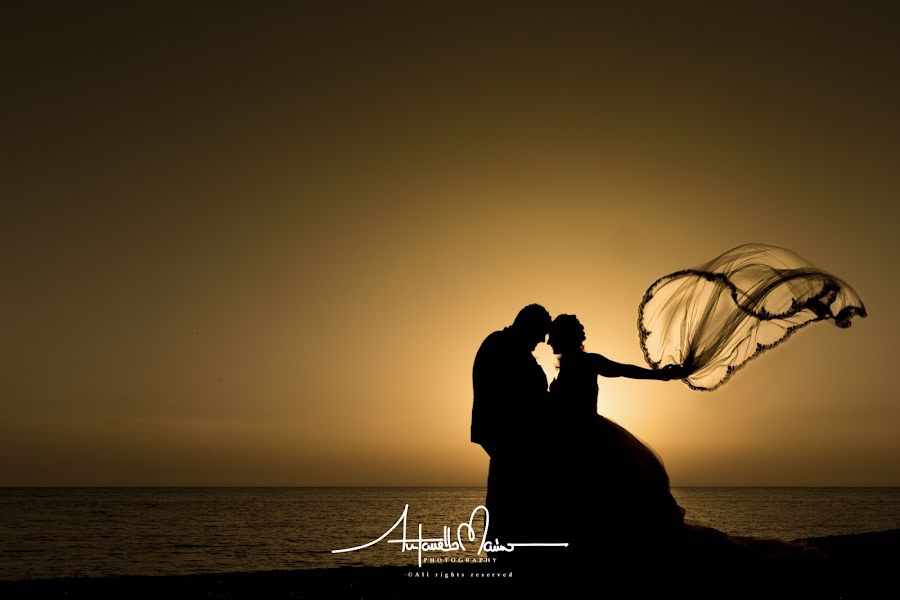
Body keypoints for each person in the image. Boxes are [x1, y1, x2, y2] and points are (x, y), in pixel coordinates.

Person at [546, 314, 687, 561]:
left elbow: (622, 370)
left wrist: (660, 375)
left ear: (565, 338)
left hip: (588, 438)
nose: (548, 342)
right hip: (569, 438)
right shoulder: (568, 365)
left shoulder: (588, 361)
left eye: (553, 336)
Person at [471, 304, 552, 546]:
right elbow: (510, 394)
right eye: (539, 336)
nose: (540, 342)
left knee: (510, 497)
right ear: (528, 326)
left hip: (516, 438)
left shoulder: (511, 347)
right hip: (509, 437)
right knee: (508, 498)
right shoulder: (500, 345)